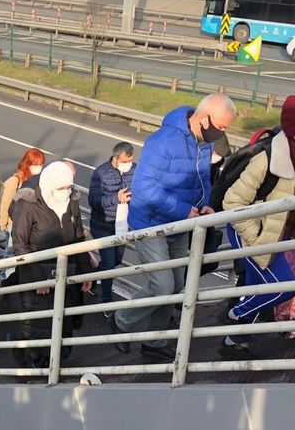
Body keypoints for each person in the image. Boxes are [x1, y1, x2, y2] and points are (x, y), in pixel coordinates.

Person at [110, 93, 236, 360]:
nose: (221, 133)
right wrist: (183, 210)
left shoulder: (204, 142)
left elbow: (202, 178)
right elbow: (144, 188)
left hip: (180, 223)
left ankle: (154, 342)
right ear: (204, 118)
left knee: (177, 283)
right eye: (220, 127)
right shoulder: (163, 141)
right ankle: (120, 321)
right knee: (162, 286)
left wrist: (205, 203)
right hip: (151, 223)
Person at [219, 95, 295, 359]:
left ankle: (233, 342)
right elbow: (232, 202)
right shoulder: (267, 158)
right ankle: (237, 313)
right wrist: (256, 240)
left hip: (277, 234)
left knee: (256, 288)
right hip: (250, 231)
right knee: (284, 285)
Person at [9, 161, 93, 368]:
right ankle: (33, 358)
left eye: (69, 187)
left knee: (63, 320)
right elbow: (20, 244)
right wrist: (38, 279)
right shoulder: (28, 205)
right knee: (38, 322)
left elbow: (78, 236)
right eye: (62, 188)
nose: (66, 192)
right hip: (37, 274)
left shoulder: (71, 200)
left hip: (66, 270)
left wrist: (85, 271)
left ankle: (53, 361)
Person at [88, 142, 136, 307]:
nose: (128, 165)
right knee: (108, 264)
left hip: (123, 225)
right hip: (103, 225)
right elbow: (93, 200)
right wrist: (116, 198)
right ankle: (106, 302)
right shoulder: (100, 173)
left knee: (116, 260)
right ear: (115, 158)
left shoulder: (136, 170)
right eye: (124, 161)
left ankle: (90, 277)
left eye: (130, 161)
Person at [0, 148, 46, 233]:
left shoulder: (32, 179)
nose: (39, 168)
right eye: (36, 165)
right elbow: (4, 205)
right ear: (28, 164)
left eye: (41, 165)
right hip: (12, 224)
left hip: (22, 222)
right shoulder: (14, 181)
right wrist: (3, 225)